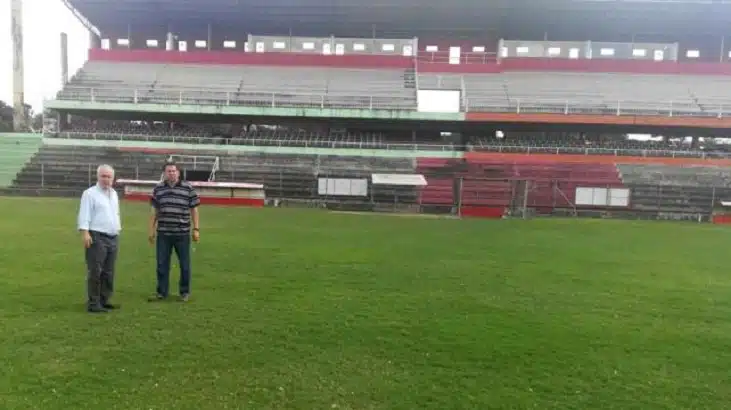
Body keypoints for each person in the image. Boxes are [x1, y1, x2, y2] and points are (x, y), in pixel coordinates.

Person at [148, 161, 200, 302]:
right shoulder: (158, 189)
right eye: (168, 171)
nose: (171, 173)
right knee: (161, 265)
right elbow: (154, 211)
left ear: (178, 172)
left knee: (185, 265)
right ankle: (162, 292)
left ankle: (184, 292)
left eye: (173, 171)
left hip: (182, 234)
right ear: (164, 173)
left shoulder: (188, 188)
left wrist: (196, 229)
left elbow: (194, 209)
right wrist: (151, 230)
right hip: (163, 234)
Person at [77, 164, 121, 313]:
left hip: (113, 236)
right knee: (95, 270)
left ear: (113, 178)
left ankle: (104, 299)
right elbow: (84, 214)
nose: (106, 179)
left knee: (109, 271)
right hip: (97, 236)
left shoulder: (113, 193)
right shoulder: (90, 194)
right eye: (103, 176)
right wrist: (85, 233)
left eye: (109, 176)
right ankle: (94, 303)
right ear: (98, 176)